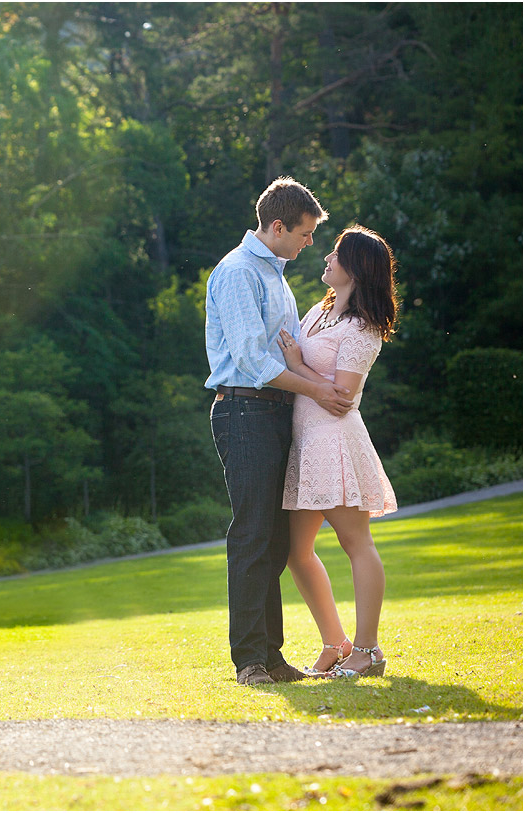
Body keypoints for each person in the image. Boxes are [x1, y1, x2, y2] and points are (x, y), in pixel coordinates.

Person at [205, 176, 355, 687]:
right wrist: (317, 392)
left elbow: (287, 351)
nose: (310, 243)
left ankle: (271, 658)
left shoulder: (276, 274)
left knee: (273, 540)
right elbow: (251, 359)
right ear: (277, 226)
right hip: (245, 412)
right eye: (307, 233)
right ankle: (249, 662)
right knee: (252, 534)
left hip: (274, 412)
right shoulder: (238, 272)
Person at [276, 225, 399, 678]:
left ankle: (368, 651)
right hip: (306, 442)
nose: (326, 257)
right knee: (295, 551)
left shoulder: (363, 329)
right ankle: (336, 643)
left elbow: (343, 394)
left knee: (355, 543)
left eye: (336, 253)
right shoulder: (317, 313)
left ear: (356, 267)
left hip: (336, 443)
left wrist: (296, 366)